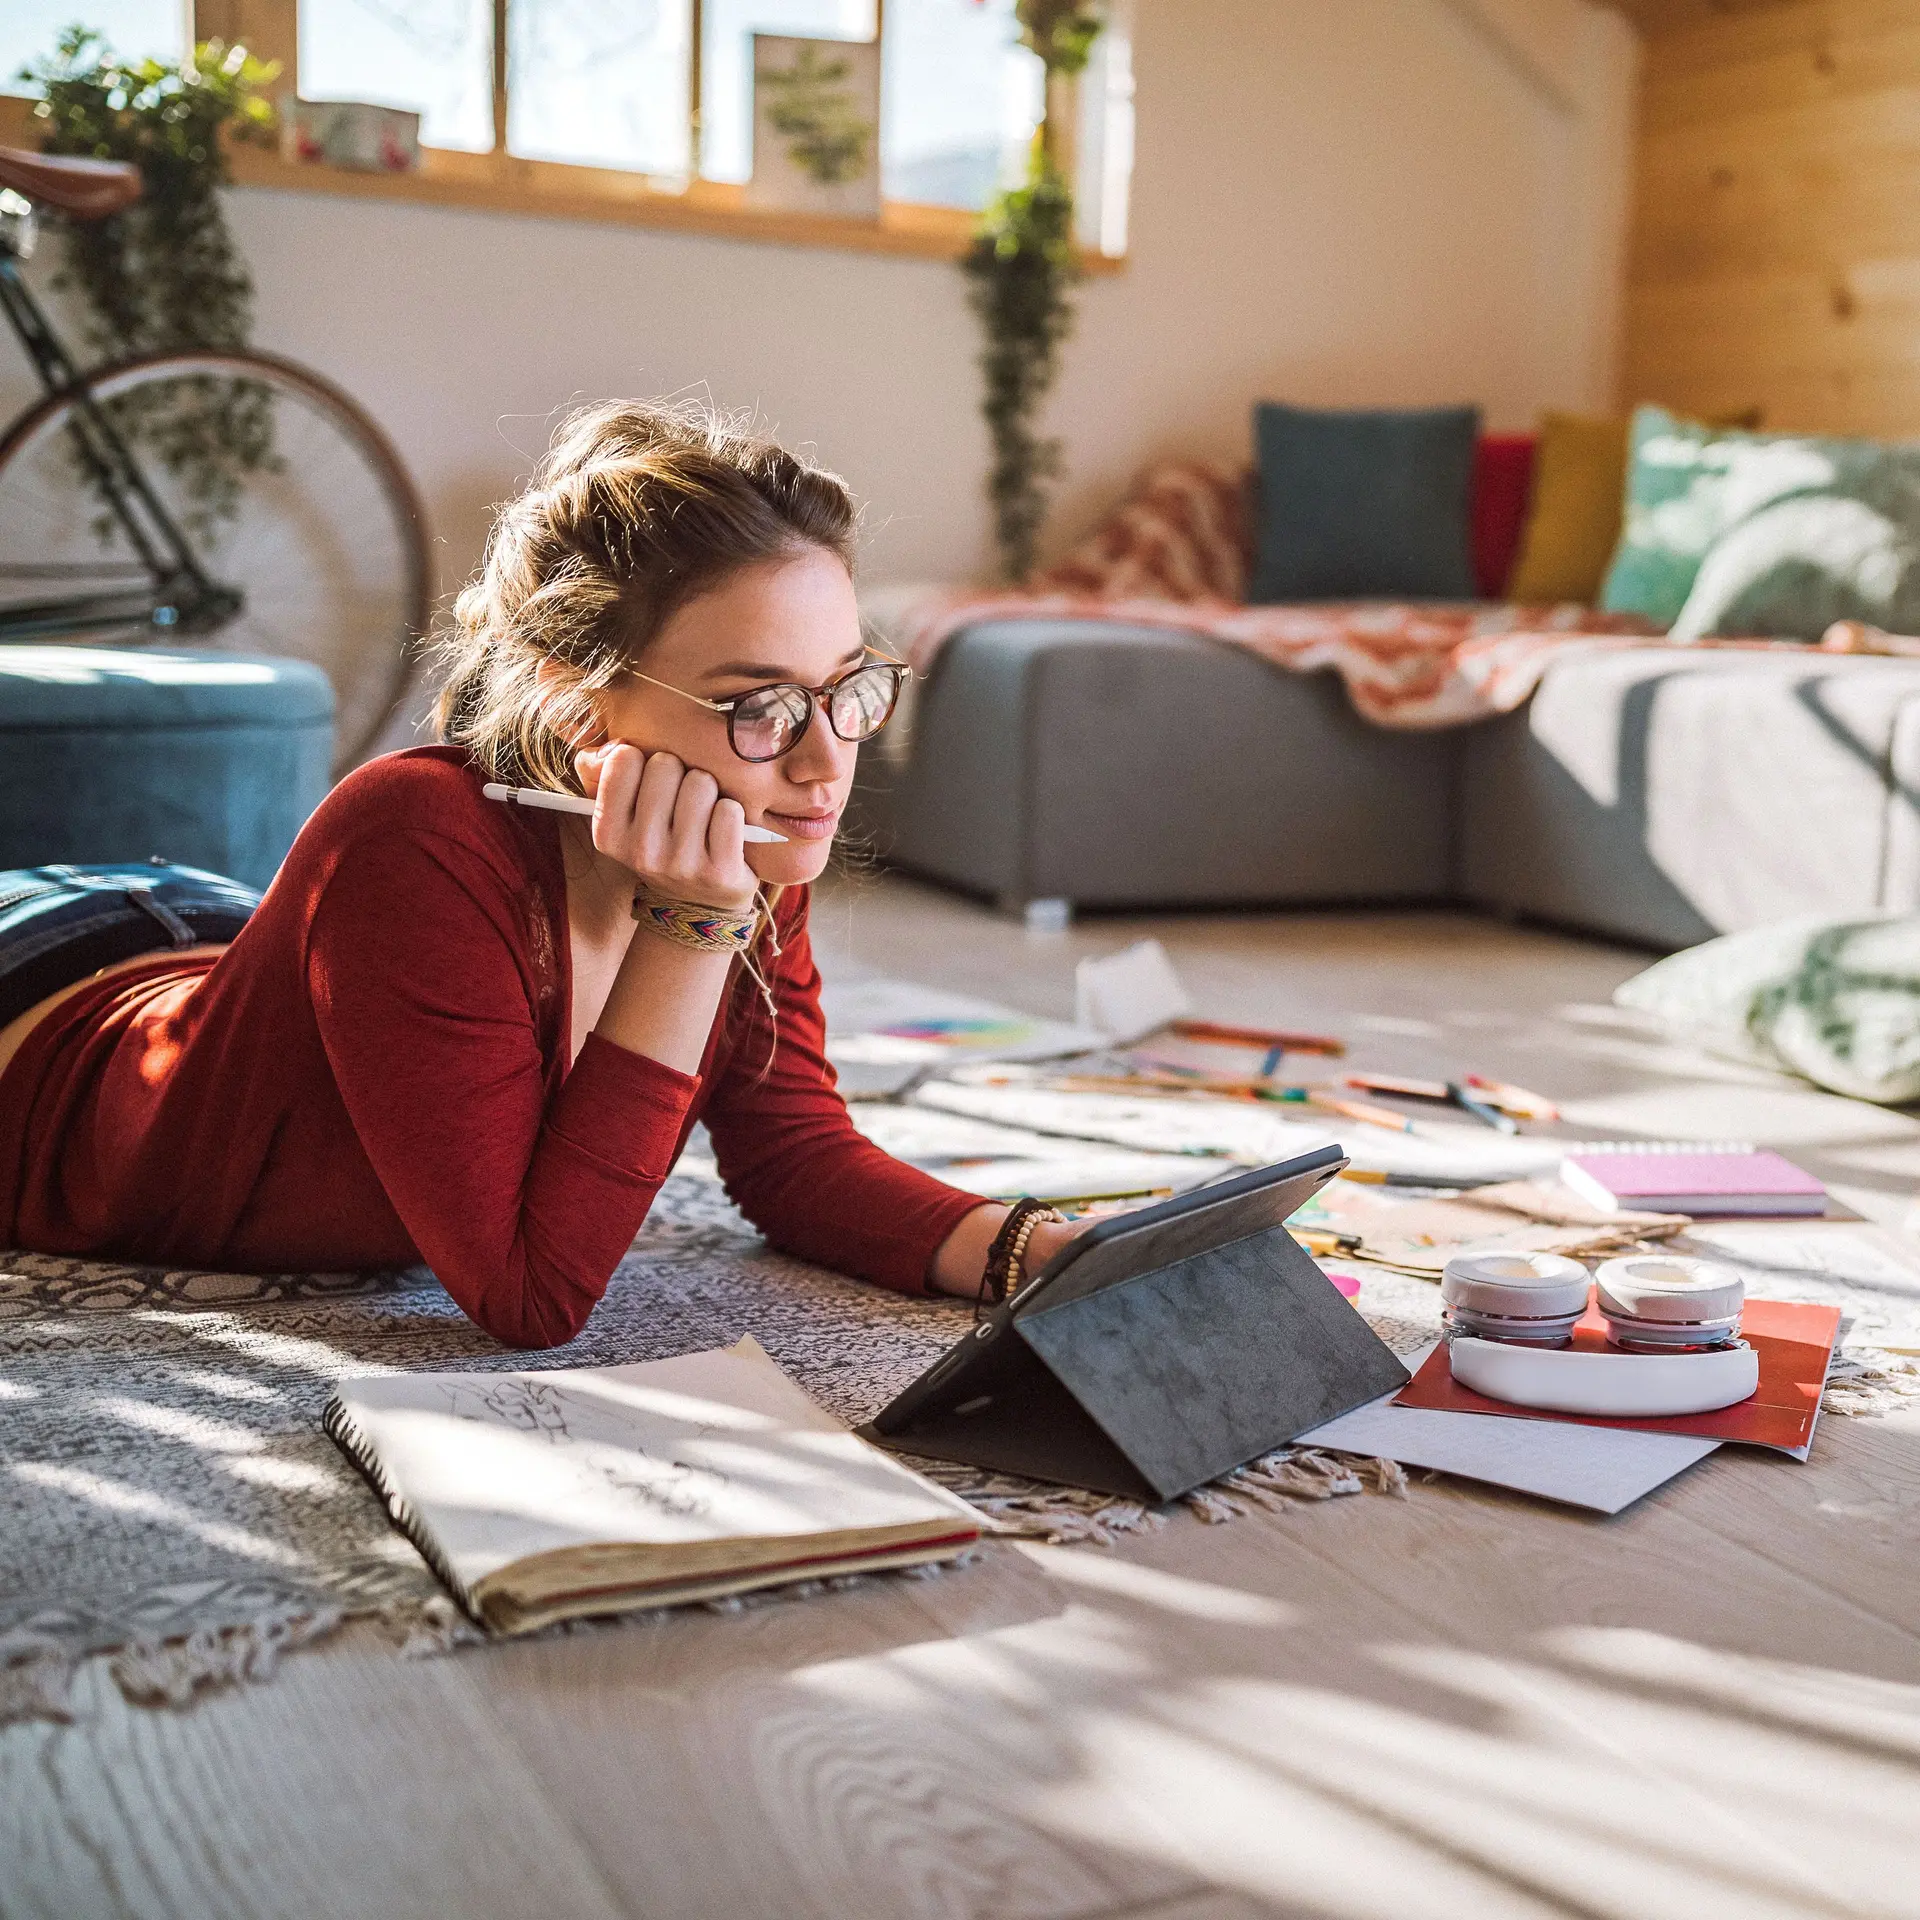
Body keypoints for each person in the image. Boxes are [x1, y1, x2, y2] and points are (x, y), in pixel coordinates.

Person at [0, 401, 1083, 1345]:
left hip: (201, 933)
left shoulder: (748, 829)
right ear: (578, 713)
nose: (823, 759)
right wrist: (689, 928)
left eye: (848, 686)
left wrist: (1039, 1251)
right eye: (760, 703)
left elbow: (792, 1154)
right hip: (40, 1014)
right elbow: (530, 1294)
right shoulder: (412, 837)